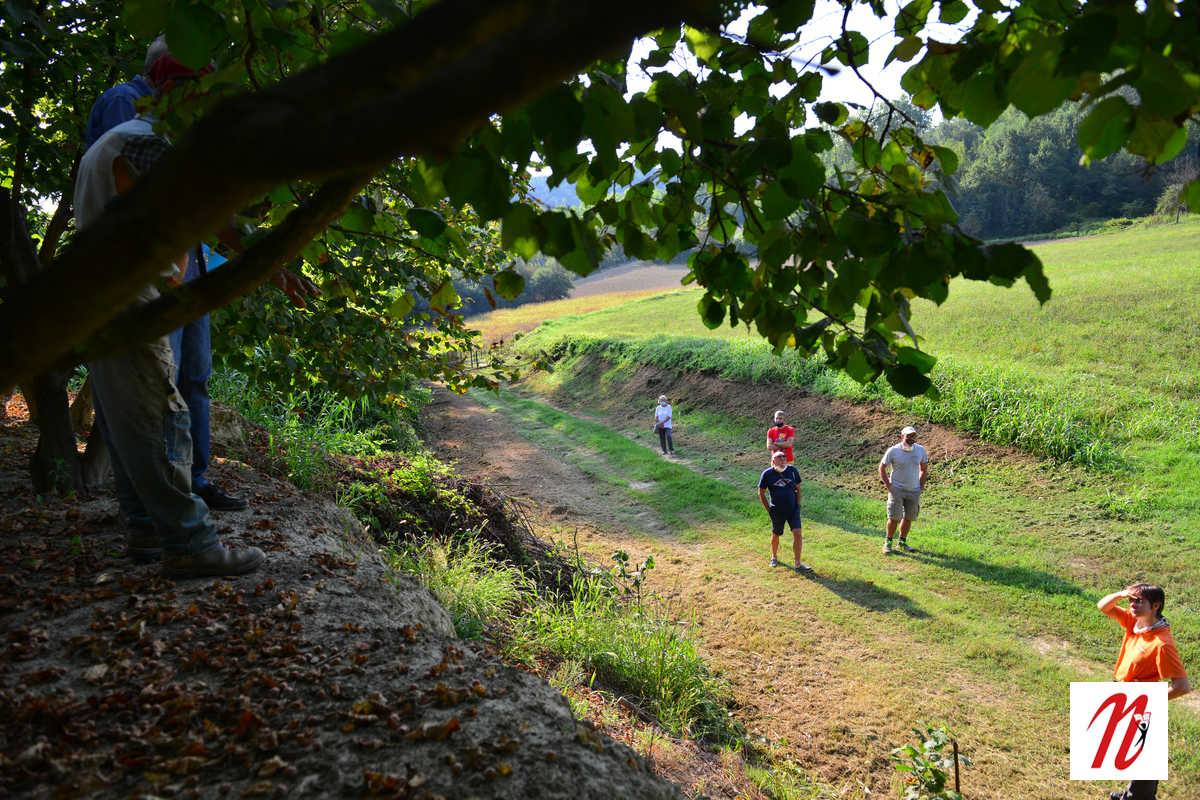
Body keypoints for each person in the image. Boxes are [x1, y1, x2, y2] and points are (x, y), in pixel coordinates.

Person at [85, 41, 316, 511]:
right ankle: (160, 508)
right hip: (142, 279)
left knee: (190, 380)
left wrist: (265, 261)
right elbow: (159, 204)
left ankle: (185, 488)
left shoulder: (167, 129)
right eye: (201, 91)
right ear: (169, 84)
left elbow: (198, 203)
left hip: (178, 268)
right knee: (154, 393)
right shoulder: (133, 118)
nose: (207, 107)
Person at [75, 57, 265, 578]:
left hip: (98, 300)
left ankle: (145, 529)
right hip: (131, 300)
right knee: (163, 418)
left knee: (128, 425)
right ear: (177, 90)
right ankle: (190, 544)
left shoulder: (117, 141)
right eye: (204, 93)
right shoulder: (145, 143)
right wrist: (256, 258)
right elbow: (193, 214)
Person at [1097, 584, 1191, 800]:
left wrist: (1149, 699)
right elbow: (1103, 606)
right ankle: (1135, 794)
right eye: (1131, 600)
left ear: (1155, 606)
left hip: (1140, 700)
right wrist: (1121, 594)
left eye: (1138, 601)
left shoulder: (1162, 643)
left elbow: (1182, 686)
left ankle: (1140, 797)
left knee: (1142, 751)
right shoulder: (1135, 622)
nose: (1132, 605)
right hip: (1123, 691)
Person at [757, 450, 812, 573]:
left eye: (784, 457)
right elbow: (761, 492)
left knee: (797, 533)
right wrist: (769, 509)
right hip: (776, 510)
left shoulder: (792, 471)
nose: (782, 459)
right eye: (779, 457)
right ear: (773, 461)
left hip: (793, 509)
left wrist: (798, 505)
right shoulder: (767, 474)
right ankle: (774, 557)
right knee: (776, 534)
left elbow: (798, 489)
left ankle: (798, 564)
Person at [879, 424, 928, 554]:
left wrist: (920, 486)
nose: (911, 438)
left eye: (913, 436)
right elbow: (882, 468)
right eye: (909, 436)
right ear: (902, 436)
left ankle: (902, 542)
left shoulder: (920, 450)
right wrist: (888, 485)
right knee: (894, 517)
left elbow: (924, 469)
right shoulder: (893, 451)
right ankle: (888, 543)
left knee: (909, 517)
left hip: (913, 491)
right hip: (897, 490)